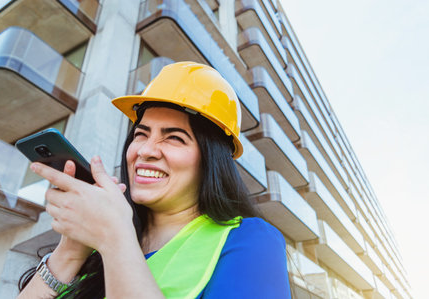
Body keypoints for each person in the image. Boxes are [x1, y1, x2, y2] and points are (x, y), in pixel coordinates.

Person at [17, 62, 291, 298]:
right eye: (141, 134)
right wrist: (70, 252)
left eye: (173, 137)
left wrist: (114, 237)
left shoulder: (250, 242)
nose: (145, 151)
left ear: (212, 159)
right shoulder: (97, 250)